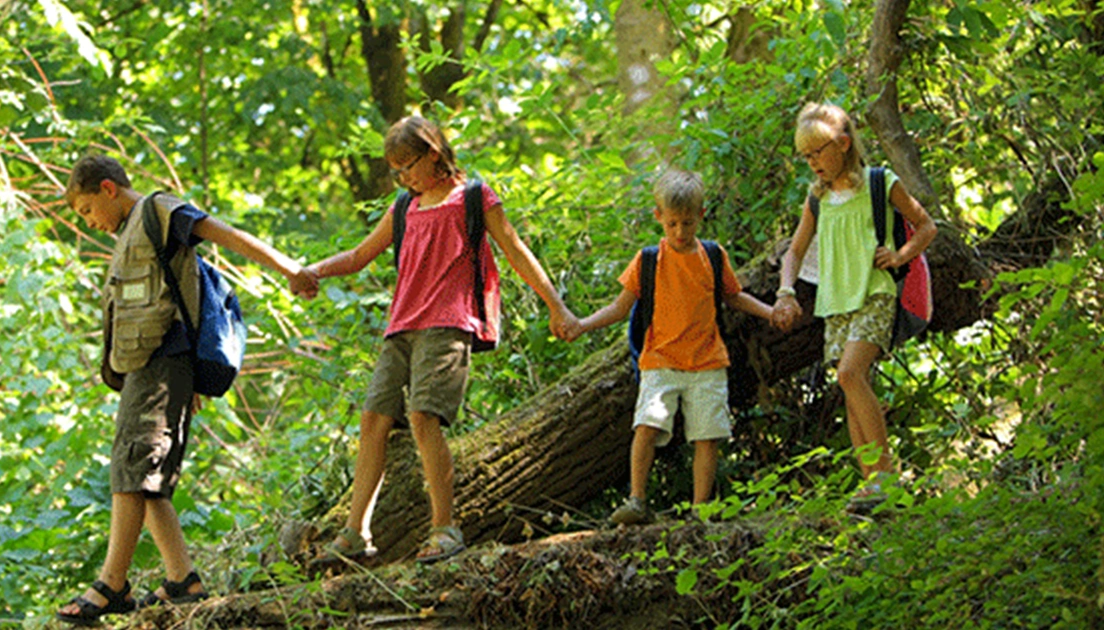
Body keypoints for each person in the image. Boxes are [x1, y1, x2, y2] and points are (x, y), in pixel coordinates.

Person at [56, 155, 317, 626]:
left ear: (109, 189)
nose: (90, 222)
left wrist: (290, 269)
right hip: (145, 367)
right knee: (143, 471)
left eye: (87, 210)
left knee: (135, 465)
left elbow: (228, 235)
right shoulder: (129, 234)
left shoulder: (159, 212)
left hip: (163, 362)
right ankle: (183, 580)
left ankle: (112, 583)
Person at [304, 116, 578, 564]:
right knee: (373, 420)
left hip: (449, 321)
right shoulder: (404, 207)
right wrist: (314, 270)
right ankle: (355, 533)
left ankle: (445, 529)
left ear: (434, 152)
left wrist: (556, 306)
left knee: (422, 416)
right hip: (402, 326)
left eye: (407, 165)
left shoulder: (473, 198)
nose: (403, 176)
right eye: (395, 170)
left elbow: (515, 250)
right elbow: (358, 256)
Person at [563, 169, 773, 524]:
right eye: (672, 223)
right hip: (659, 361)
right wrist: (581, 325)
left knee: (707, 436)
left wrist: (771, 311)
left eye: (687, 224)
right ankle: (637, 500)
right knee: (646, 426)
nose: (680, 232)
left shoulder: (712, 256)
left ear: (701, 217)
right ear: (658, 216)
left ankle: (700, 508)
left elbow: (734, 297)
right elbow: (619, 308)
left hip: (707, 361)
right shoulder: (648, 261)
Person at [770, 103, 937, 512]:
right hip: (836, 303)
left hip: (875, 293)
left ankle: (886, 479)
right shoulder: (817, 200)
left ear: (843, 144)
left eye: (818, 153)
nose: (813, 164)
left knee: (850, 372)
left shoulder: (880, 183)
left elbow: (927, 225)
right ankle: (871, 486)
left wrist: (900, 256)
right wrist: (786, 290)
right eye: (806, 157)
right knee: (849, 384)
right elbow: (794, 252)